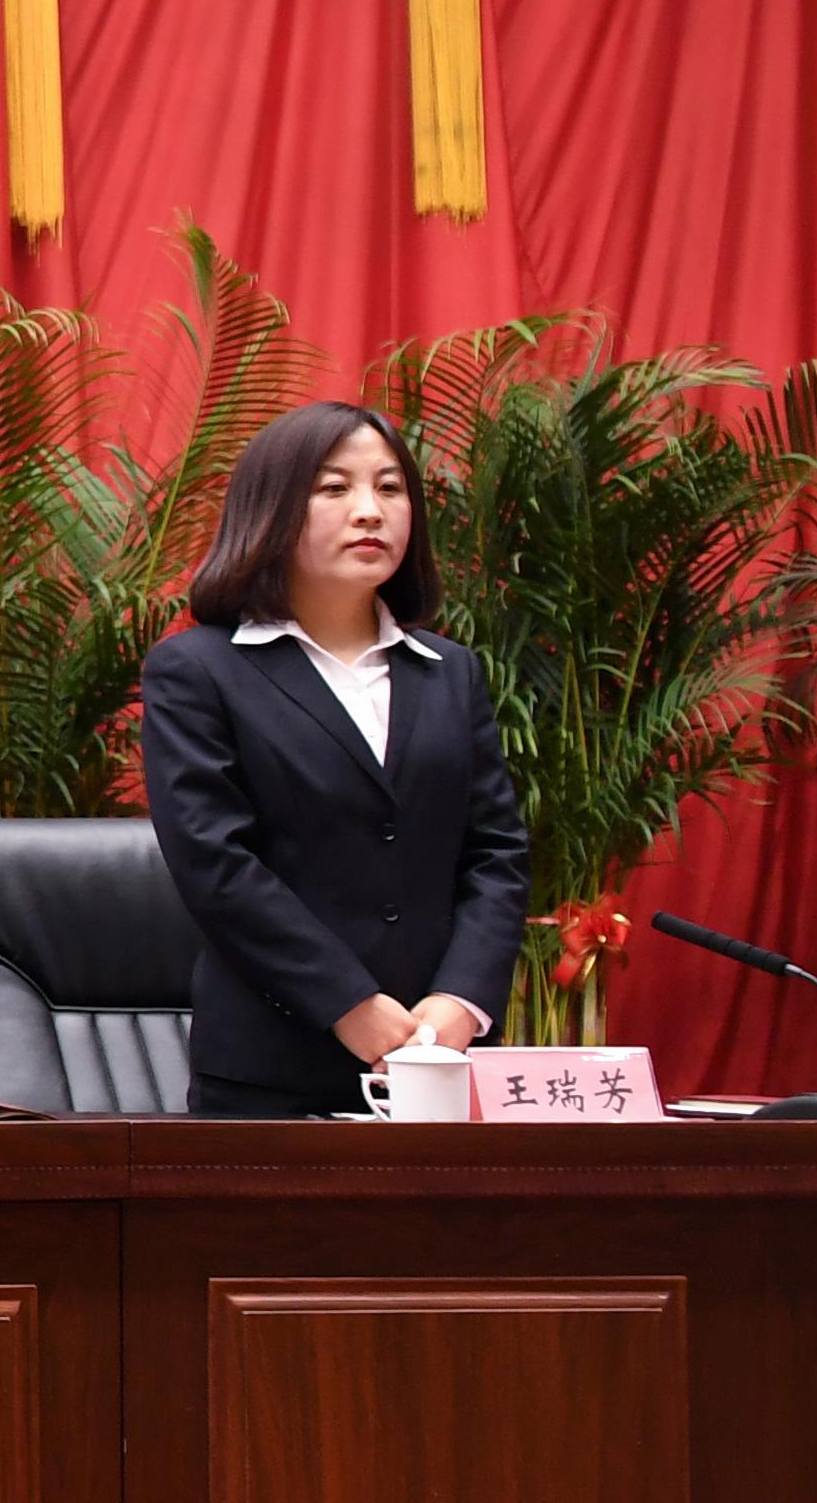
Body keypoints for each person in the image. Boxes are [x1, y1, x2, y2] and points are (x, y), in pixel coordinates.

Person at [135, 399, 531, 1117]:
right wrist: (347, 1003)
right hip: (270, 1075)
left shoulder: (451, 672)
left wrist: (461, 1001)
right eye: (335, 487)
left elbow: (495, 852)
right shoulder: (198, 670)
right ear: (271, 508)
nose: (370, 511)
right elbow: (215, 862)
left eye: (390, 487)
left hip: (439, 1063)